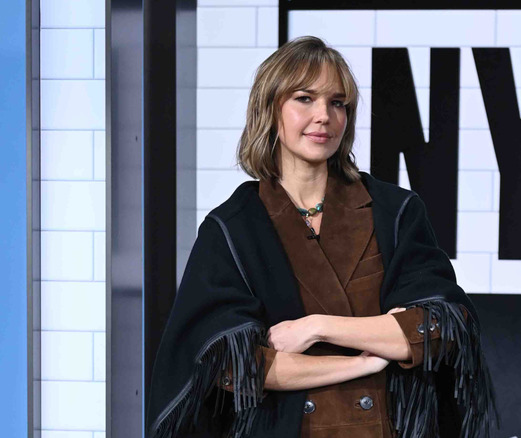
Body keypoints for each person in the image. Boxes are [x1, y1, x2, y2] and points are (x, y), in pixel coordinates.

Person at [146, 36, 497, 438]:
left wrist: (315, 327)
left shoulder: (394, 211)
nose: (324, 116)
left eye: (337, 103)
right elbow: (236, 367)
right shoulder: (232, 229)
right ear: (270, 109)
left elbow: (437, 331)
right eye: (304, 99)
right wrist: (362, 362)